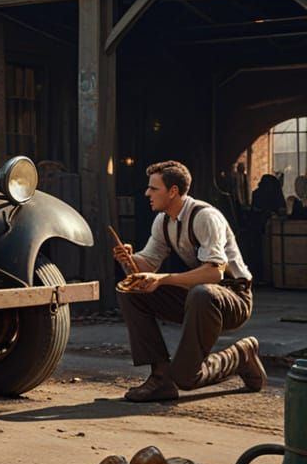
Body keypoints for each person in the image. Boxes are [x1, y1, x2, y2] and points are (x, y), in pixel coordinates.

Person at [111, 160, 265, 402]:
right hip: (200, 296)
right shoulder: (163, 221)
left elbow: (215, 273)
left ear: (173, 191)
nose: (146, 193)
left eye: (154, 188)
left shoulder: (205, 217)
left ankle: (241, 355)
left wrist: (162, 279)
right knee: (131, 291)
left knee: (185, 377)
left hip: (233, 298)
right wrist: (129, 259)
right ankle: (161, 377)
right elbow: (148, 264)